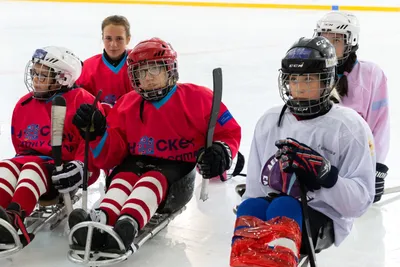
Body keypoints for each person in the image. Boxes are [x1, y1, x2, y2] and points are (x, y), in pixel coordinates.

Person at [68, 37, 242, 253]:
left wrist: (221, 151)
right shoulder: (125, 104)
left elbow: (228, 131)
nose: (147, 78)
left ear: (169, 70)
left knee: (152, 179)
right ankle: (101, 218)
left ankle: (128, 223)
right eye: (141, 72)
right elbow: (112, 156)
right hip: (135, 163)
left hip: (175, 172)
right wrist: (98, 134)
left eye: (154, 70)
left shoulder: (199, 98)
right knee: (122, 177)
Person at [230, 36, 375, 267]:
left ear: (326, 81)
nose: (299, 87)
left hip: (323, 216)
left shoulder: (349, 126)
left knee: (283, 205)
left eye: (308, 79)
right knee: (251, 207)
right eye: (293, 79)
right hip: (275, 207)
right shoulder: (269, 121)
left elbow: (359, 204)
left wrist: (327, 176)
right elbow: (256, 190)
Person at [0, 46, 102, 247]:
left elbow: (93, 143)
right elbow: (21, 148)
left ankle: (13, 219)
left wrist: (81, 168)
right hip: (32, 162)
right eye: (34, 73)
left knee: (31, 169)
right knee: (5, 167)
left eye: (43, 75)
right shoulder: (24, 104)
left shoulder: (83, 101)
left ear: (63, 78)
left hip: (58, 171)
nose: (36, 78)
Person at [314, 11, 389, 202]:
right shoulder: (312, 73)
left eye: (336, 40)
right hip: (318, 167)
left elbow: (379, 124)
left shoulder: (371, 74)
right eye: (324, 38)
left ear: (350, 42)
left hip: (355, 167)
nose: (328, 46)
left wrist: (377, 168)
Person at [76, 15, 133, 114]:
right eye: (108, 38)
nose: (113, 44)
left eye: (119, 39)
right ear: (102, 38)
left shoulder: (139, 64)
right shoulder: (87, 68)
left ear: (128, 39)